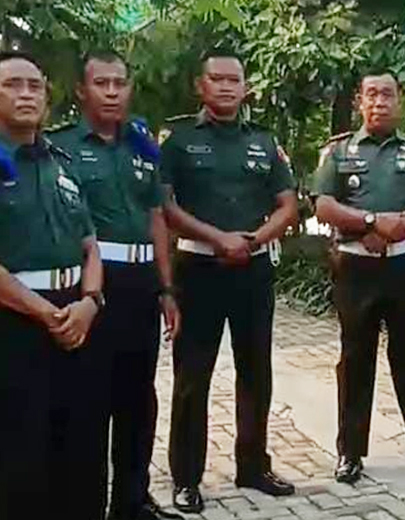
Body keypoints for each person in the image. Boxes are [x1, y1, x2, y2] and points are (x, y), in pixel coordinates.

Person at [160, 51, 299, 514]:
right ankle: (186, 477)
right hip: (198, 269)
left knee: (256, 371)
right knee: (192, 377)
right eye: (216, 79)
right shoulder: (178, 141)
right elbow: (166, 207)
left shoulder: (264, 141)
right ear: (200, 86)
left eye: (233, 79)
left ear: (245, 88)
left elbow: (287, 204)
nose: (225, 86)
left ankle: (253, 466)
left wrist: (254, 240)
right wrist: (218, 239)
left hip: (253, 270)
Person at [49, 51, 183, 520]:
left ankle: (132, 502)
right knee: (88, 401)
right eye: (101, 83)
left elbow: (156, 217)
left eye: (119, 83)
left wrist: (166, 288)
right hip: (93, 285)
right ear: (81, 91)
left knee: (138, 397)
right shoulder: (61, 147)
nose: (111, 92)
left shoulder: (143, 144)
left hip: (140, 285)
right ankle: (85, 504)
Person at [313, 71, 405, 484]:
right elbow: (323, 205)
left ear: (400, 100)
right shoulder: (338, 151)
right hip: (356, 268)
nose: (379, 102)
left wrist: (397, 228)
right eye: (371, 94)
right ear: (359, 101)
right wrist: (370, 222)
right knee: (355, 359)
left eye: (387, 94)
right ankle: (350, 452)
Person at [0, 51, 105, 519]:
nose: (26, 95)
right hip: (15, 323)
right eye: (12, 85)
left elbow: (90, 246)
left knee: (80, 448)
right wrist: (43, 312)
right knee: (21, 454)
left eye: (35, 86)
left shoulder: (61, 163)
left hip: (74, 318)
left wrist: (90, 302)